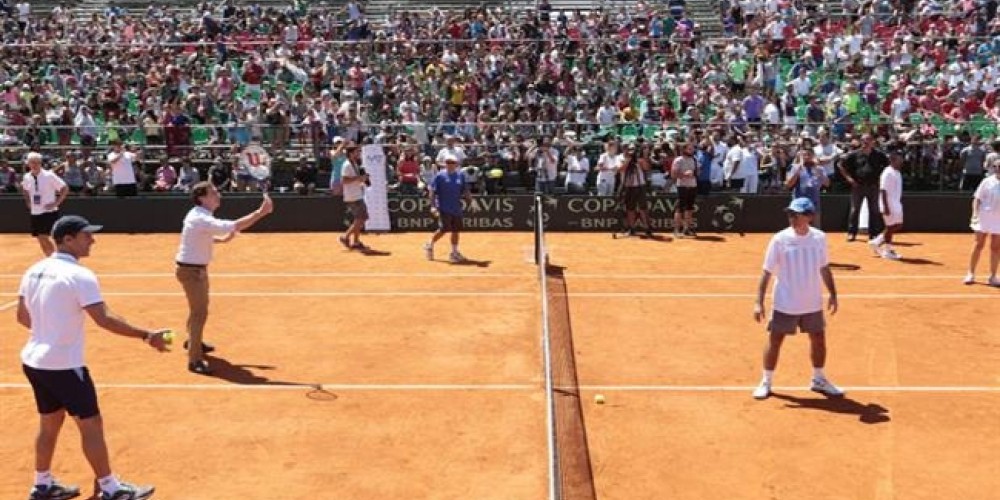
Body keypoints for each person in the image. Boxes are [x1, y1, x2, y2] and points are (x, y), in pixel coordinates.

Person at [18, 215, 168, 500]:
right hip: (64, 365)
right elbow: (105, 319)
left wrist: (50, 330)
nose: (93, 240)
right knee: (91, 424)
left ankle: (42, 484)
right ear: (67, 239)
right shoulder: (80, 275)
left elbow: (22, 317)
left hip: (34, 362)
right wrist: (147, 335)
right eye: (86, 236)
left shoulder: (34, 270)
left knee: (49, 423)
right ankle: (111, 489)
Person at [175, 182, 274, 375]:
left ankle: (193, 342)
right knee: (199, 314)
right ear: (202, 198)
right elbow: (235, 225)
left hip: (195, 270)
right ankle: (194, 360)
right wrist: (261, 212)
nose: (218, 194)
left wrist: (218, 240)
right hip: (191, 272)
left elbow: (197, 236)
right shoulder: (200, 217)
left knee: (197, 310)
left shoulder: (198, 215)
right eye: (213, 193)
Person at [752, 197, 843, 400]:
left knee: (818, 339)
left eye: (796, 214)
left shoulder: (819, 238)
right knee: (775, 340)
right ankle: (766, 381)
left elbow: (824, 267)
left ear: (809, 216)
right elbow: (766, 272)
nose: (792, 218)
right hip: (786, 301)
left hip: (812, 302)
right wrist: (758, 302)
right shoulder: (779, 239)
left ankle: (818, 379)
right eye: (790, 214)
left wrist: (833, 294)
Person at [839, 134, 887, 241]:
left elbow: (887, 166)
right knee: (855, 210)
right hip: (858, 186)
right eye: (864, 140)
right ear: (860, 141)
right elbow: (840, 165)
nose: (866, 142)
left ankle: (873, 234)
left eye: (868, 139)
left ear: (873, 141)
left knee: (874, 210)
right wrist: (849, 178)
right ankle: (852, 233)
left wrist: (881, 178)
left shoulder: (879, 155)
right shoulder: (854, 154)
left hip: (873, 186)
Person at [423, 154, 472, 263]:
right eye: (448, 162)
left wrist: (471, 201)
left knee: (456, 230)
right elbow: (432, 192)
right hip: (443, 207)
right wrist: (432, 206)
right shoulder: (439, 176)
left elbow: (465, 190)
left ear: (456, 164)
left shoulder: (460, 176)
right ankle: (429, 244)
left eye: (452, 162)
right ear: (445, 164)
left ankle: (454, 253)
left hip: (456, 207)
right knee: (444, 229)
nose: (450, 164)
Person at [21, 152, 68, 256]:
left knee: (44, 236)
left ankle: (55, 259)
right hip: (35, 212)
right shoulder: (27, 177)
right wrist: (28, 202)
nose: (35, 165)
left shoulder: (49, 175)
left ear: (41, 163)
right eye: (32, 162)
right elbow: (24, 188)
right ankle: (50, 258)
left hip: (49, 211)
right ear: (28, 163)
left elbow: (64, 188)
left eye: (37, 162)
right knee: (40, 238)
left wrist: (56, 203)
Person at [964, 169, 1000, 286]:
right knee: (979, 244)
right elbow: (977, 198)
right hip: (983, 217)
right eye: (997, 166)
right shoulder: (987, 181)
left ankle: (993, 276)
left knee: (995, 247)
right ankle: (970, 273)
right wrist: (975, 213)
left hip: (998, 220)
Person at [869, 152, 905, 260]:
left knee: (898, 225)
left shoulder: (897, 172)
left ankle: (876, 242)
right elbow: (883, 190)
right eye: (899, 160)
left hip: (896, 203)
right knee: (890, 227)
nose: (901, 161)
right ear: (892, 160)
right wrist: (885, 206)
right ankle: (888, 251)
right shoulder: (887, 172)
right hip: (889, 204)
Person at [785, 149, 830, 228]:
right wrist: (798, 170)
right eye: (804, 155)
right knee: (797, 229)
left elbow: (827, 184)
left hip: (814, 203)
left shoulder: (820, 168)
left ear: (813, 156)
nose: (806, 157)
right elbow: (789, 184)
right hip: (798, 204)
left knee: (815, 229)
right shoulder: (795, 167)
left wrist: (818, 171)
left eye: (809, 155)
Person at [338, 144, 370, 251]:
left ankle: (356, 241)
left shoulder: (354, 164)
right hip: (352, 196)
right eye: (357, 151)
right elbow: (344, 181)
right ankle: (345, 237)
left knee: (360, 219)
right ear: (351, 153)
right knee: (361, 218)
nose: (359, 153)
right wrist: (359, 178)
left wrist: (363, 179)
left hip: (357, 194)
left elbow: (355, 179)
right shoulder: (347, 165)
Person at [617, 144, 653, 237]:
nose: (630, 152)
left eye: (632, 150)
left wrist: (642, 159)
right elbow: (620, 169)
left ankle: (647, 228)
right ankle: (631, 228)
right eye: (629, 149)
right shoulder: (620, 158)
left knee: (643, 208)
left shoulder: (639, 159)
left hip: (640, 186)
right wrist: (627, 161)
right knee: (630, 208)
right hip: (628, 186)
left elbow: (647, 168)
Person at [671, 142, 699, 238]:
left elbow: (698, 172)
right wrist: (684, 175)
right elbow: (673, 175)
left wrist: (695, 172)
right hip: (682, 186)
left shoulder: (694, 159)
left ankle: (687, 229)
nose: (692, 150)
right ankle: (676, 230)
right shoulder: (678, 160)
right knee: (680, 208)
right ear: (684, 150)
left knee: (690, 208)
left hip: (693, 186)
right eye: (689, 149)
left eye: (692, 149)